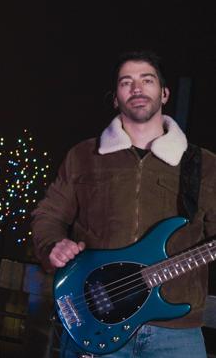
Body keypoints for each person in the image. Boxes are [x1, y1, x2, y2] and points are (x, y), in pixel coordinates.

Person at [31, 51, 216, 357]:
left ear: (165, 93)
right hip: (95, 321)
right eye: (126, 82)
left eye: (147, 80)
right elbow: (48, 215)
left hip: (176, 331)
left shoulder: (204, 165)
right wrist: (52, 244)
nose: (137, 88)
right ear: (115, 98)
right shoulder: (84, 156)